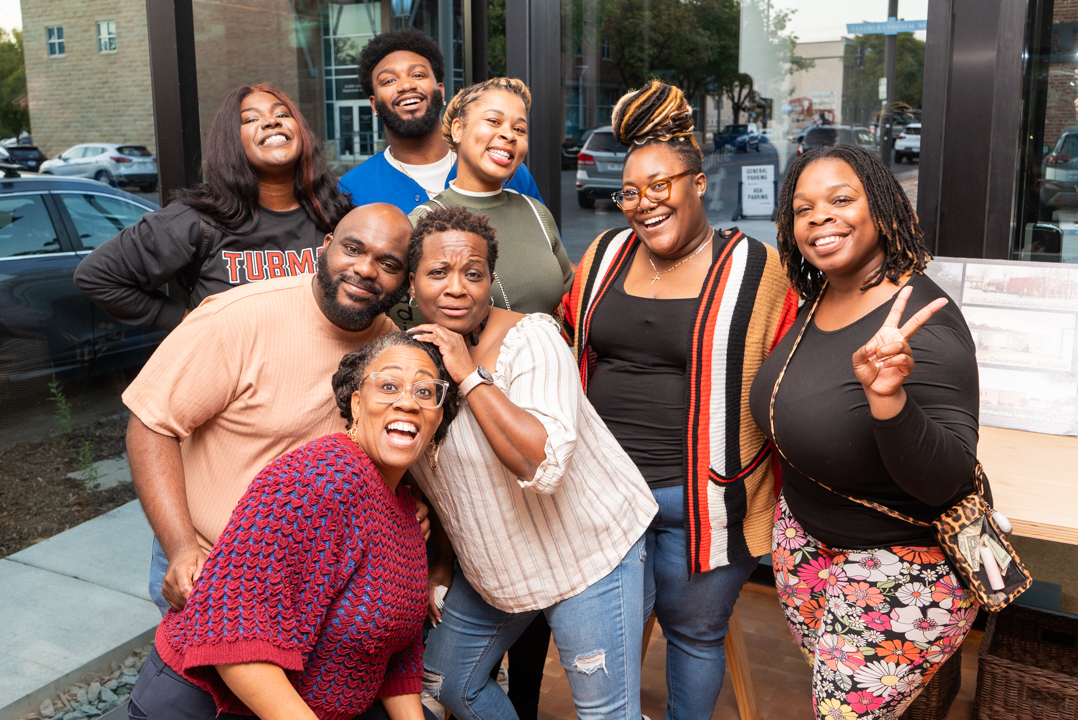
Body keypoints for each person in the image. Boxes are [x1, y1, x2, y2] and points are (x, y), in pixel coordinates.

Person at [561, 80, 798, 720]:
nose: (644, 204)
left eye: (660, 186)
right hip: (602, 497)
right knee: (602, 644)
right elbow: (566, 341)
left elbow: (791, 371)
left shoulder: (757, 266)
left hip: (703, 500)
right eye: (631, 192)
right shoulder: (605, 253)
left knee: (694, 637)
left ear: (698, 183)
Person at [748, 144, 981, 720]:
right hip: (809, 544)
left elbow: (946, 479)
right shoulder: (824, 291)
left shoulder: (923, 321)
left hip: (899, 562)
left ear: (881, 208)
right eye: (803, 209)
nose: (819, 217)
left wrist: (890, 399)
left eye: (841, 199)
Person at [405, 205, 658, 720]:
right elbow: (448, 484)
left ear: (490, 282)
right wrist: (442, 562)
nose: (457, 288)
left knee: (606, 714)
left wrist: (468, 374)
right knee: (446, 683)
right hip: (501, 568)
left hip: (589, 555)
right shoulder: (406, 358)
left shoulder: (532, 339)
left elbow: (542, 461)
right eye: (438, 272)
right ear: (411, 284)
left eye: (473, 274)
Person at [127, 333, 458, 720]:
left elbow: (395, 653)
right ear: (356, 402)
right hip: (204, 705)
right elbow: (232, 631)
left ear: (437, 418)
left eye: (424, 391)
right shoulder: (316, 479)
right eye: (388, 386)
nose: (407, 401)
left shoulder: (403, 509)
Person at [123, 203, 418, 617]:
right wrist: (182, 548)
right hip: (213, 567)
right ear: (326, 246)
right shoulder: (235, 319)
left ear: (405, 281)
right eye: (353, 249)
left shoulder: (393, 349)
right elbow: (150, 426)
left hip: (312, 579)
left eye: (388, 263)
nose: (366, 270)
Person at [74, 83, 351, 331]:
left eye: (282, 115)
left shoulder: (336, 215)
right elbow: (97, 275)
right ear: (231, 142)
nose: (271, 123)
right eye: (251, 119)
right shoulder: (197, 220)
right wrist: (186, 324)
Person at [401, 76, 573, 329]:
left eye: (520, 129)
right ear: (458, 130)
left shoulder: (535, 211)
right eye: (494, 121)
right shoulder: (422, 222)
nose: (508, 134)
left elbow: (571, 297)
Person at [338, 28, 540, 217]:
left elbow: (548, 248)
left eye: (418, 75)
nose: (406, 85)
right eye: (389, 80)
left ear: (441, 92)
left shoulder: (504, 168)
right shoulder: (352, 190)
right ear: (374, 105)